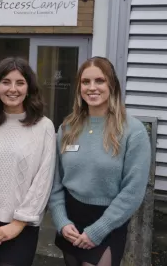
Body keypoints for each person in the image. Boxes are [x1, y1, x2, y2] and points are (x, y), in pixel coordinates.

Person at [49, 57, 151, 266]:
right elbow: (55, 181)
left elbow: (132, 191)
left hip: (108, 223)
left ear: (112, 85)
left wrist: (99, 230)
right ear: (79, 87)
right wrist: (61, 221)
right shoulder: (67, 128)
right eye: (85, 82)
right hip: (71, 221)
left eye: (100, 81)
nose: (92, 87)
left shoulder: (133, 131)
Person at [0, 57, 56, 266]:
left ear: (29, 88)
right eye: (6, 82)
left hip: (22, 228)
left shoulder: (43, 127)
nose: (12, 89)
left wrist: (18, 223)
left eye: (20, 83)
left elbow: (43, 181)